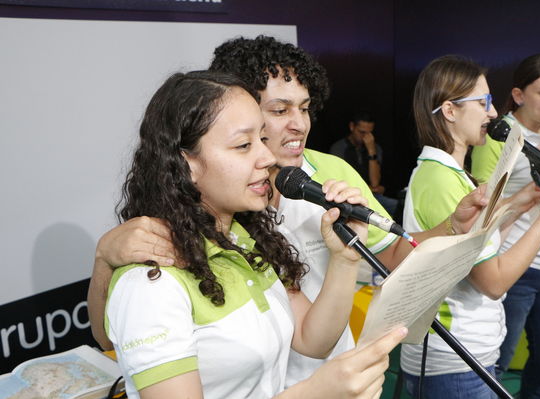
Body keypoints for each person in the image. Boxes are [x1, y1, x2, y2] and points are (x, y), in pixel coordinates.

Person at [88, 36, 489, 388]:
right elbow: (114, 337)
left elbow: (316, 333)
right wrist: (105, 259)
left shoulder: (253, 229)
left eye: (305, 107)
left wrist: (445, 227)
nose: (299, 124)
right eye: (278, 112)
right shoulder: (161, 259)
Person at [105, 69, 409, 399]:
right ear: (186, 164)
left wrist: (344, 259)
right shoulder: (151, 280)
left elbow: (313, 339)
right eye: (243, 145)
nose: (266, 157)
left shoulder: (246, 240)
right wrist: (315, 393)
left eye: (262, 139)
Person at [401, 55, 540, 399]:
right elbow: (493, 280)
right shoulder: (441, 180)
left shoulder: (450, 175)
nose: (492, 113)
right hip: (455, 362)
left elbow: (477, 245)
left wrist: (518, 204)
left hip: (465, 357)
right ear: (450, 110)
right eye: (483, 102)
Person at [471, 54, 540, 399]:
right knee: (496, 364)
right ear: (518, 95)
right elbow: (479, 211)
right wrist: (525, 194)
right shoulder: (497, 137)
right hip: (513, 267)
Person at [330, 111, 399, 216]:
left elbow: (375, 182)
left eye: (369, 133)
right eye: (362, 132)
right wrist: (370, 189)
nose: (366, 137)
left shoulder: (375, 148)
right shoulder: (339, 148)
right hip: (349, 197)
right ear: (352, 127)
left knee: (399, 207)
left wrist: (371, 151)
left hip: (373, 196)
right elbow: (339, 184)